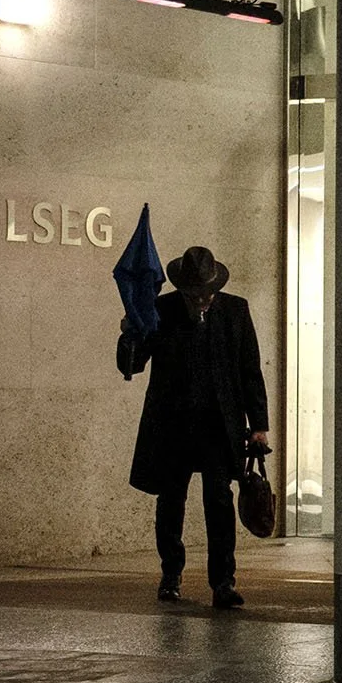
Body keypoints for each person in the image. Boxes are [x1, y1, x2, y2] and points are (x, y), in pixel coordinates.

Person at [116, 245, 268, 608]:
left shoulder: (235, 310)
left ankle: (223, 582)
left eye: (207, 293)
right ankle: (171, 575)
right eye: (194, 294)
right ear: (182, 289)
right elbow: (132, 366)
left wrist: (259, 425)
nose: (202, 300)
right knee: (171, 502)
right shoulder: (161, 310)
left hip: (220, 427)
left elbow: (250, 371)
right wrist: (129, 333)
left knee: (219, 501)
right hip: (172, 426)